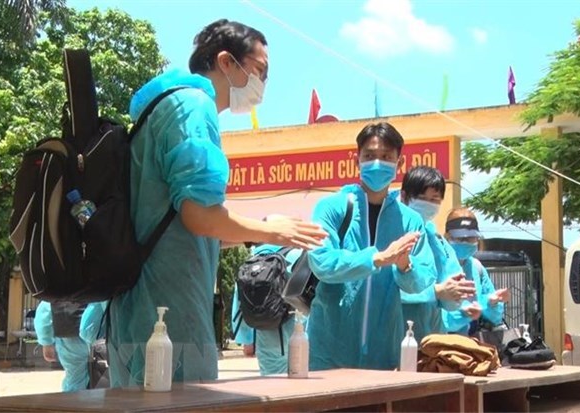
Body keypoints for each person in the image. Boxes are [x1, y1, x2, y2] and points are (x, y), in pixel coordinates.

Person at [108, 19, 327, 387]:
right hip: (169, 308)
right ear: (226, 62)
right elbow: (198, 216)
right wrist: (273, 229)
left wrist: (254, 233)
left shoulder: (162, 109)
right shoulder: (194, 106)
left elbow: (182, 225)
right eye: (260, 71)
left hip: (140, 304)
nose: (262, 84)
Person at [307, 122, 437, 371]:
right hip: (328, 353)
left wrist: (404, 266)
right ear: (357, 160)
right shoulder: (332, 207)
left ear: (399, 163)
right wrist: (376, 259)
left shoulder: (410, 220)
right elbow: (322, 261)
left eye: (386, 156)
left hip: (383, 355)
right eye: (369, 155)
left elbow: (423, 279)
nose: (377, 163)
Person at [400, 166, 476, 342]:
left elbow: (450, 300)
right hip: (392, 339)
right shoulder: (389, 234)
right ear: (404, 197)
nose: (427, 204)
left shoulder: (440, 245)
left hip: (433, 340)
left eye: (434, 199)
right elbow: (382, 290)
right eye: (421, 198)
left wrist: (455, 294)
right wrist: (435, 292)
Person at [231, 243, 304, 375]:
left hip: (266, 336)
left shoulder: (253, 259)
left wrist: (247, 340)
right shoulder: (298, 256)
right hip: (299, 332)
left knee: (272, 388)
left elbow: (240, 301)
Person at [442, 207, 510, 335]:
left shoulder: (476, 267)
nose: (466, 243)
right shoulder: (437, 265)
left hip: (471, 341)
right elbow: (435, 315)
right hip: (440, 343)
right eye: (461, 239)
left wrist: (492, 302)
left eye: (471, 239)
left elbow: (495, 317)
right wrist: (463, 314)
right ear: (447, 237)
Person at [34, 301, 91, 392]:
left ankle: (73, 402)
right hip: (95, 335)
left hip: (70, 338)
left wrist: (47, 343)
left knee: (75, 379)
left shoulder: (58, 289)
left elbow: (44, 315)